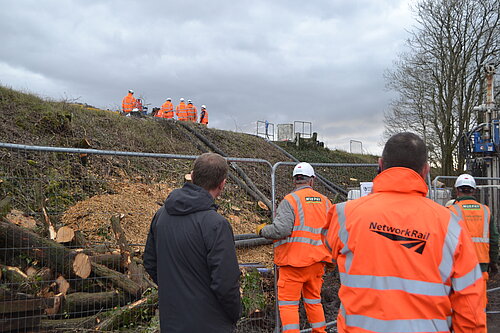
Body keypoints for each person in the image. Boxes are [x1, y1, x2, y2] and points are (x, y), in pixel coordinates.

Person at [323, 132, 486, 333]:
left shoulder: (344, 215)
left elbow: (327, 254)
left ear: (380, 164)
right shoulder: (451, 225)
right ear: (425, 170)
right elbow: (470, 307)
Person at [144, 153, 241, 332]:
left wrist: (174, 290)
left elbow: (150, 262)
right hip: (211, 323)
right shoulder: (216, 224)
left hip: (172, 321)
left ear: (192, 176)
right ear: (222, 184)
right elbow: (225, 283)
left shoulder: (161, 215)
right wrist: (235, 314)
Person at [257, 162, 332, 333]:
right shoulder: (326, 202)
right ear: (312, 180)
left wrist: (262, 230)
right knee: (314, 301)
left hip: (294, 265)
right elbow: (332, 232)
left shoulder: (290, 200)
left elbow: (280, 229)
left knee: (289, 305)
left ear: (294, 181)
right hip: (317, 263)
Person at [448, 174, 499, 308]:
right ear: (474, 191)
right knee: (478, 304)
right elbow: (494, 239)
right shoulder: (486, 211)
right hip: (481, 264)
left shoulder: (451, 210)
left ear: (456, 190)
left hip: (458, 264)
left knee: (459, 303)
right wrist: (493, 262)